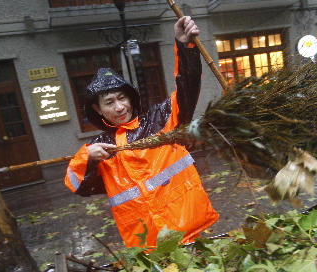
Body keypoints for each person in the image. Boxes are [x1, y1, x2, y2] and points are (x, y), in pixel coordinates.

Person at [65, 16, 219, 248]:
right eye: (109, 102)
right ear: (97, 109)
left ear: (131, 98)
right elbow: (78, 186)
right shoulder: (100, 147)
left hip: (189, 228)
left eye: (122, 98)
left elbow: (187, 85)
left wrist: (184, 45)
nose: (119, 107)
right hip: (148, 244)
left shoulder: (161, 118)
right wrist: (87, 158)